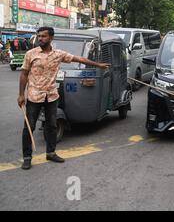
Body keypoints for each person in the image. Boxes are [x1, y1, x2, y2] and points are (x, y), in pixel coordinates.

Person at [18, 27, 110, 170]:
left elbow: (78, 58)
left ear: (51, 38)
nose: (40, 38)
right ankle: (27, 157)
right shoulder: (31, 54)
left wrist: (98, 65)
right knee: (29, 127)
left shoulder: (58, 54)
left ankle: (51, 152)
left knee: (52, 126)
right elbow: (23, 74)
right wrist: (20, 94)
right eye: (39, 36)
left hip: (52, 96)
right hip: (34, 96)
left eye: (43, 36)